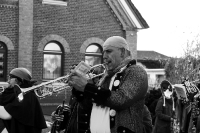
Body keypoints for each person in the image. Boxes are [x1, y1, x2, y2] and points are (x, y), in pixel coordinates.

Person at [68, 36, 148, 133]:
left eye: (108, 51)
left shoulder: (136, 71)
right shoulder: (106, 76)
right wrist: (79, 89)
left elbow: (121, 99)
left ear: (122, 52)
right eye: (103, 52)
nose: (104, 56)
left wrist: (87, 87)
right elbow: (88, 106)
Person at [0, 67, 47, 133]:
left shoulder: (28, 95)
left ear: (18, 80)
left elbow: (7, 114)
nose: (8, 81)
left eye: (10, 78)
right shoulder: (10, 92)